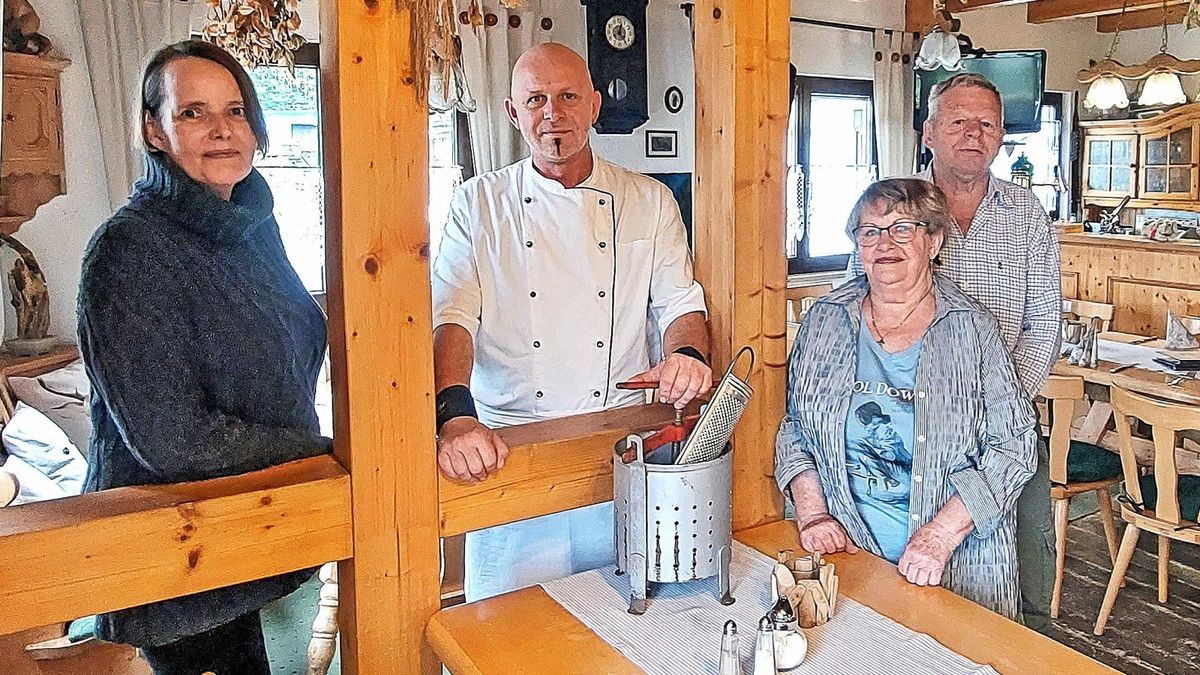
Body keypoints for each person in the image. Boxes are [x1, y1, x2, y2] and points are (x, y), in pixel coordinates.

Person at [78, 40, 331, 674]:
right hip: (171, 542)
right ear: (153, 131)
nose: (222, 130)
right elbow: (172, 440)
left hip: (245, 520)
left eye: (236, 110)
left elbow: (293, 339)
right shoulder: (128, 250)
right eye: (192, 112)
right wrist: (319, 450)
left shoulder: (251, 228)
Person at [431, 42, 712, 601]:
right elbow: (452, 317)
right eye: (535, 99)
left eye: (567, 97)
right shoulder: (478, 203)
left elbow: (680, 302)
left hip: (619, 451)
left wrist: (689, 358)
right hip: (511, 448)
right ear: (513, 113)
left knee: (626, 622)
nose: (552, 113)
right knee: (506, 631)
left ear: (594, 105)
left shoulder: (649, 199)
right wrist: (454, 415)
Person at [848, 73, 1061, 628]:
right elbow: (858, 302)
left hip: (1004, 430)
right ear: (929, 132)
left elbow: (1044, 323)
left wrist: (1000, 404)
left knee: (1028, 571)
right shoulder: (893, 208)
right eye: (959, 120)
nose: (974, 133)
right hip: (903, 424)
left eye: (988, 123)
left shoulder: (1026, 213)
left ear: (1000, 137)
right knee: (909, 567)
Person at [782, 178, 1037, 620]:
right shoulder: (824, 320)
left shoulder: (972, 329)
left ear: (933, 241)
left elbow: (1014, 446)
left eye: (903, 229)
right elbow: (796, 429)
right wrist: (813, 515)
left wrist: (939, 535)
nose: (885, 244)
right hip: (847, 553)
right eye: (870, 232)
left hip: (957, 563)